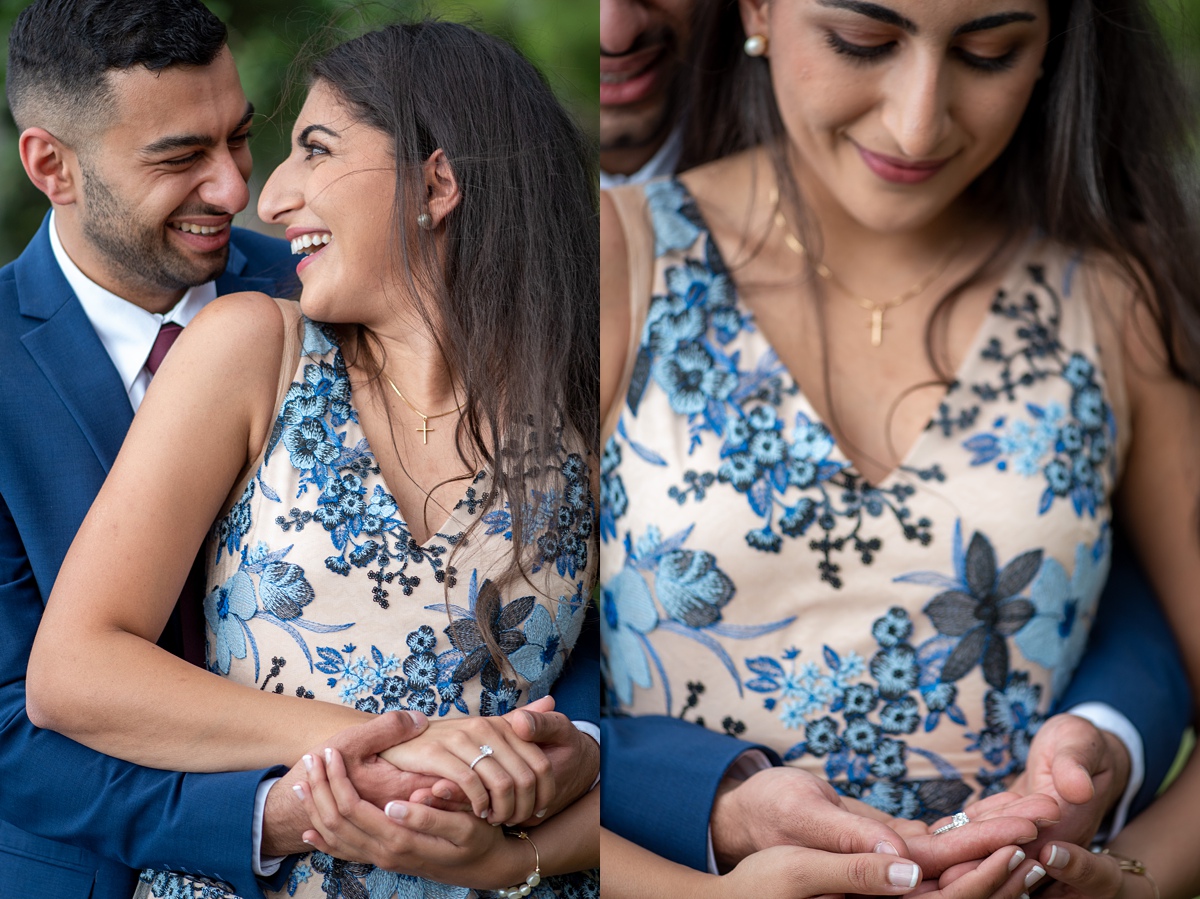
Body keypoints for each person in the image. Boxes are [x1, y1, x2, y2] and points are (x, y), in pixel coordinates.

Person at [600, 0, 1200, 896]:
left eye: (990, 53)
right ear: (758, 10)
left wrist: (1135, 876)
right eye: (862, 43)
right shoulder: (617, 257)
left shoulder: (1114, 300)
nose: (918, 123)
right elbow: (509, 696)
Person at [0, 1, 597, 897]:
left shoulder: (333, 275)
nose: (248, 195)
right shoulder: (265, 340)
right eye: (178, 157)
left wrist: (570, 760)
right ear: (53, 165)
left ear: (437, 186)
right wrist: (289, 801)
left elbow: (605, 671)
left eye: (245, 140)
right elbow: (38, 697)